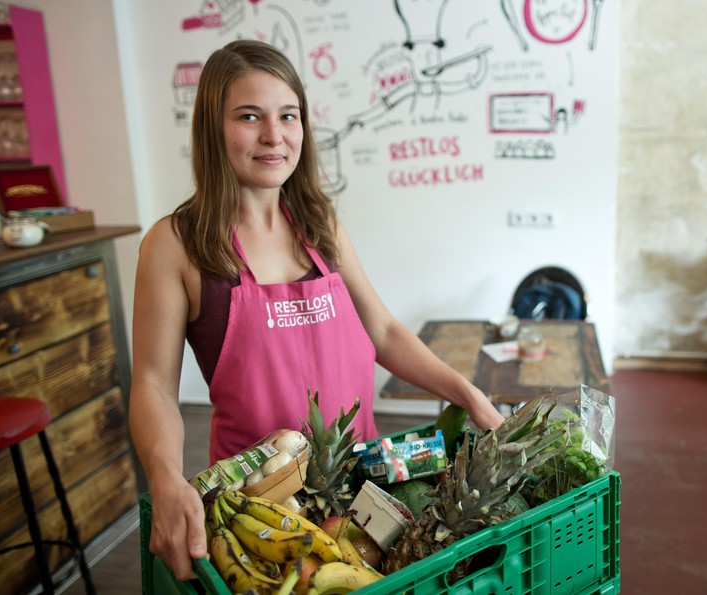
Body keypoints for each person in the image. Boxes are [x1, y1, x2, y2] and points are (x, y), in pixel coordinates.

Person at [128, 39, 505, 581]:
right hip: (261, 512)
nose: (273, 135)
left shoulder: (318, 222)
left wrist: (466, 393)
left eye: (288, 115)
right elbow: (155, 386)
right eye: (249, 116)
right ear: (213, 127)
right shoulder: (176, 244)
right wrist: (164, 478)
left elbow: (384, 331)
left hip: (364, 494)